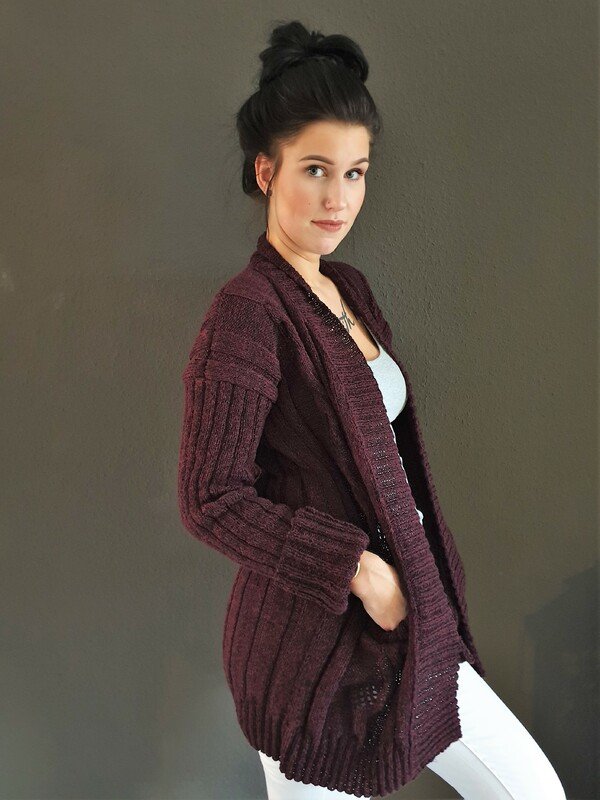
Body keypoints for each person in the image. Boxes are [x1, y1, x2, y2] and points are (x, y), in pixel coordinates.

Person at [177, 19, 567, 799]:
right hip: (308, 654)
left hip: (410, 619)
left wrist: (413, 584)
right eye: (316, 169)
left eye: (355, 172)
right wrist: (353, 568)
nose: (339, 197)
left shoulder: (347, 290)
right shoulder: (248, 314)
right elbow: (210, 498)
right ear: (266, 171)